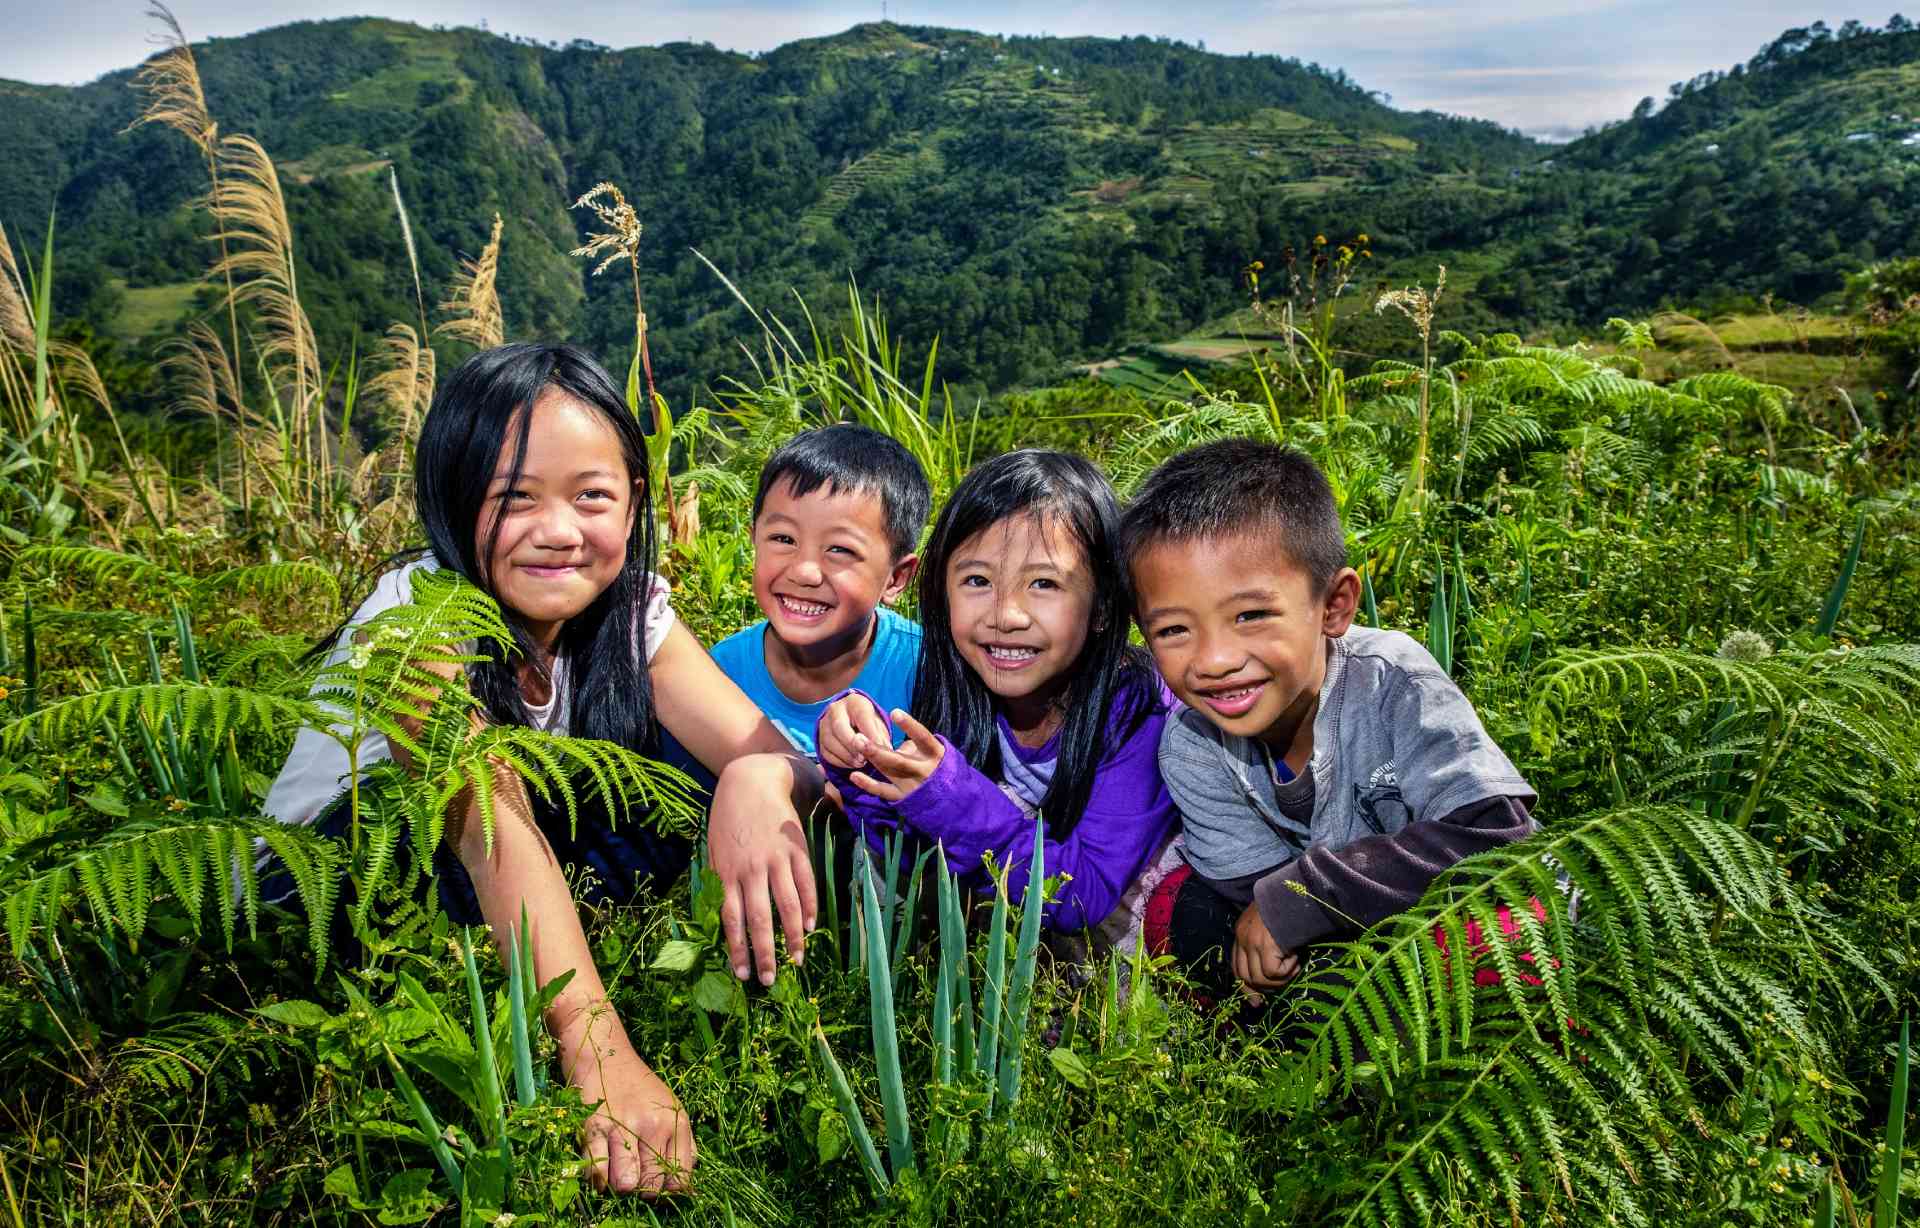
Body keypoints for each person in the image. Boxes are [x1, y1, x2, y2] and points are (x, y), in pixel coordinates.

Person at [263, 343, 825, 1196]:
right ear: (453, 505)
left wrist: (762, 778)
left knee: (695, 783)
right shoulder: (417, 624)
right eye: (512, 499)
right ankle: (538, 974)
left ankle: (560, 938)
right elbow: (490, 826)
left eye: (591, 496)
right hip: (342, 881)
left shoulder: (630, 613)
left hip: (498, 859)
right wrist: (598, 1051)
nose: (559, 532)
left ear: (636, 505)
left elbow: (775, 757)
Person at [1121, 439, 1538, 1003]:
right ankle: (1310, 1059)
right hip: (1343, 927)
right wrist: (1280, 913)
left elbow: (1495, 836)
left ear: (1335, 605)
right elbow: (1249, 891)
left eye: (1251, 615)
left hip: (1451, 909)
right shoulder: (1194, 743)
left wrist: (1303, 894)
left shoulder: (1393, 683)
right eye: (1174, 630)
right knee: (1178, 908)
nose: (1215, 660)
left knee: (1500, 939)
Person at [808, 449, 1179, 945]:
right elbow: (911, 859)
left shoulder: (1138, 712)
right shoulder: (957, 688)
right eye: (978, 581)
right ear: (942, 593)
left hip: (1145, 938)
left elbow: (1081, 894)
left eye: (1044, 583)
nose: (1006, 615)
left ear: (1104, 608)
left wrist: (953, 795)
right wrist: (863, 769)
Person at [707, 424, 929, 754]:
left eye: (840, 550)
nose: (804, 572)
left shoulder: (925, 670)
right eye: (784, 539)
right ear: (754, 539)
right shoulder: (721, 675)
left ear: (896, 578)